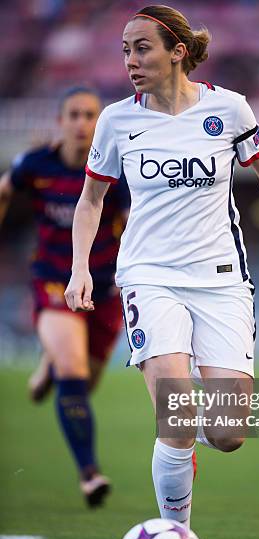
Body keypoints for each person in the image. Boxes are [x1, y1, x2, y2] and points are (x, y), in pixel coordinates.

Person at [65, 3, 259, 539]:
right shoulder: (116, 120)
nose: (131, 60)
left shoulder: (229, 110)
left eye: (142, 48)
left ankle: (183, 434)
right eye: (125, 50)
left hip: (222, 279)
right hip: (148, 277)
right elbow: (91, 200)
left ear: (178, 52)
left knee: (227, 434)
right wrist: (81, 265)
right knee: (176, 419)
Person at [0, 86, 130, 506]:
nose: (81, 123)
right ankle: (90, 474)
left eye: (90, 115)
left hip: (107, 289)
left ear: (100, 123)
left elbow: (131, 222)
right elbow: (5, 190)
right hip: (54, 280)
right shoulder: (35, 164)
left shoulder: (120, 169)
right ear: (61, 122)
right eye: (73, 115)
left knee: (83, 383)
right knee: (73, 371)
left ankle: (48, 364)